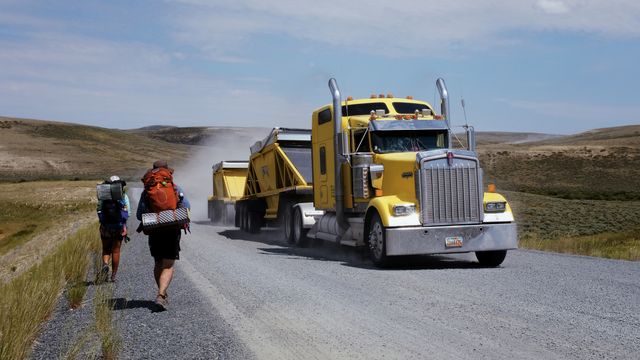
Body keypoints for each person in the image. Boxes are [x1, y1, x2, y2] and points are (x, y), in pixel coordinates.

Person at [136, 160, 190, 311]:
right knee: (168, 264)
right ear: (168, 172)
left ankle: (161, 293)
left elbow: (139, 214)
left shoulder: (147, 191)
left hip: (154, 230)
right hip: (172, 230)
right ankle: (161, 294)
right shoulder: (175, 187)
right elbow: (187, 207)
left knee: (158, 262)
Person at [97, 175, 130, 283]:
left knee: (106, 249)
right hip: (118, 227)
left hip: (105, 227)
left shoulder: (103, 196)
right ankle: (113, 276)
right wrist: (124, 226)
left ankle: (106, 264)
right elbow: (127, 213)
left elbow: (99, 209)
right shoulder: (123, 196)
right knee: (116, 251)